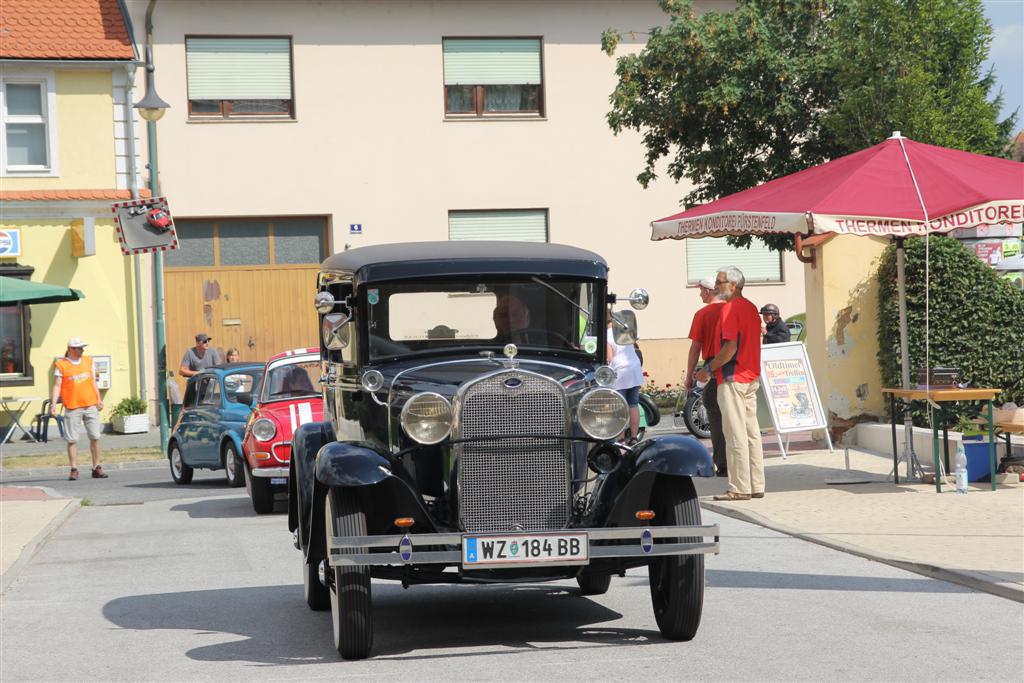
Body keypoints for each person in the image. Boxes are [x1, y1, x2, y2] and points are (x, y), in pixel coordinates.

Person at [696, 266, 765, 501]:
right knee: (751, 433)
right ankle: (756, 484)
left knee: (734, 433)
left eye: (720, 282)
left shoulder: (730, 309)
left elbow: (729, 348)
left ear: (734, 285)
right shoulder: (751, 308)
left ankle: (739, 487)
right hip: (750, 375)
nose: (716, 286)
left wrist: (707, 369)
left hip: (732, 376)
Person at [684, 275, 727, 476]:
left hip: (713, 364)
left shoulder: (703, 314)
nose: (700, 293)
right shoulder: (731, 308)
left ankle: (722, 462)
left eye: (701, 290)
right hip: (736, 363)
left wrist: (690, 376)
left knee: (714, 411)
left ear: (708, 291)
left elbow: (695, 348)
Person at [50, 337, 107, 480]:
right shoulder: (61, 365)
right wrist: (53, 404)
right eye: (79, 348)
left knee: (95, 437)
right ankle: (74, 469)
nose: (82, 350)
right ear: (70, 349)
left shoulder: (88, 361)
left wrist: (99, 399)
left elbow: (93, 380)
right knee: (72, 440)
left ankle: (97, 467)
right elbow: (57, 386)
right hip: (72, 406)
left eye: (82, 348)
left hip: (90, 404)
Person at [607, 313, 644, 444]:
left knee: (620, 407)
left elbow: (609, 358)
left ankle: (621, 438)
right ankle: (634, 437)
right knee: (633, 404)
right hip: (634, 368)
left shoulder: (606, 335)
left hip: (620, 373)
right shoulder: (624, 329)